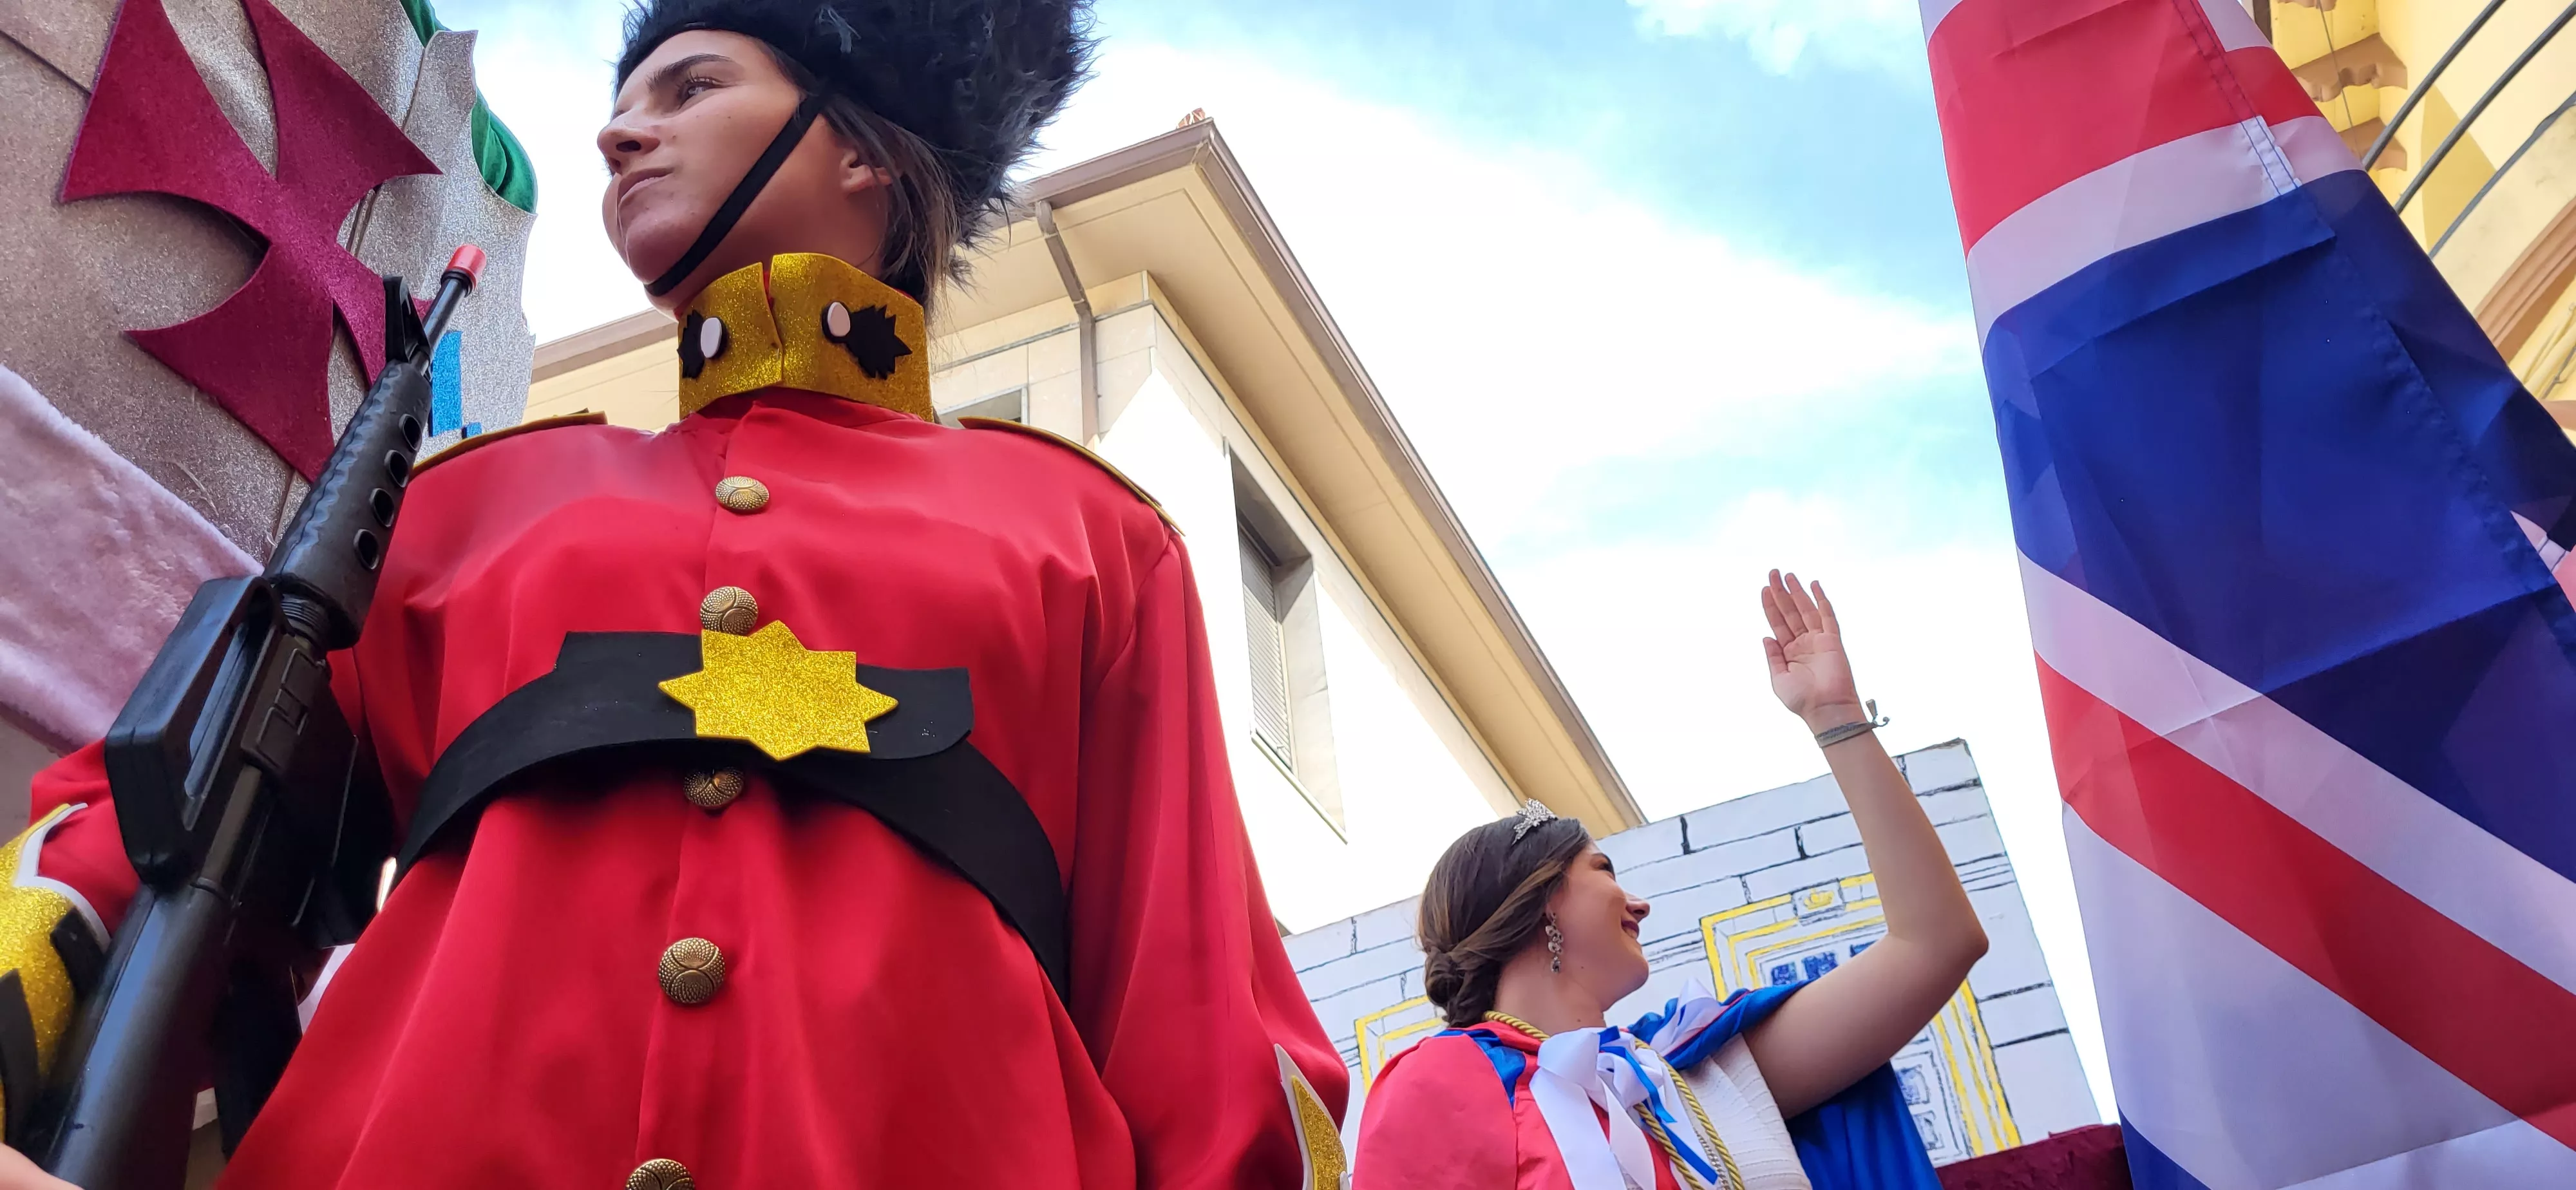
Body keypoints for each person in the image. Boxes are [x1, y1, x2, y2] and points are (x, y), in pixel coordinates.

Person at [0, 1, 1349, 1187]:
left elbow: (1201, 1029)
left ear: (860, 146)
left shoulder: (1090, 534)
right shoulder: (467, 505)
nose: (617, 137)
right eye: (621, 103)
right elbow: (177, 818)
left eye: (690, 86)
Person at [1352, 571, 1989, 1190]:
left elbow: (1934, 944)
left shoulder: (1693, 1069)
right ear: (1540, 900)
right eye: (1603, 870)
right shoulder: (1439, 1079)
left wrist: (1837, 720)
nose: (1640, 904)